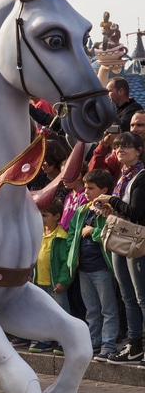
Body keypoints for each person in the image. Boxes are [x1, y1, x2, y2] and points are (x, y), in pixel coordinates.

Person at [93, 131, 145, 365]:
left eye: (126, 146)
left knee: (142, 297)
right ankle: (134, 346)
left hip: (138, 243)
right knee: (128, 297)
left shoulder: (141, 177)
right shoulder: (122, 177)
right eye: (117, 147)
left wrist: (110, 200)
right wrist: (107, 208)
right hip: (121, 241)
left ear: (139, 150)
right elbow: (123, 210)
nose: (120, 150)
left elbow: (136, 213)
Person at [65, 169, 120, 361]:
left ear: (104, 189)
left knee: (108, 309)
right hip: (84, 269)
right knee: (91, 309)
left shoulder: (109, 210)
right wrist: (72, 256)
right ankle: (93, 342)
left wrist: (93, 231)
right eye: (86, 187)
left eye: (91, 188)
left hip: (102, 269)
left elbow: (113, 235)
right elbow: (72, 234)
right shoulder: (82, 210)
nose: (86, 192)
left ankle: (108, 345)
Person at [28, 199, 72, 354]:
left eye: (44, 215)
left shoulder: (61, 236)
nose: (41, 219)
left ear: (57, 216)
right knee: (42, 312)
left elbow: (66, 262)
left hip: (55, 284)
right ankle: (43, 340)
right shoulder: (38, 233)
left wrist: (62, 281)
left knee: (60, 313)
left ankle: (64, 341)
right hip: (39, 282)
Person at [89, 110, 145, 178]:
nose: (134, 129)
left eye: (139, 125)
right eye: (132, 125)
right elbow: (95, 177)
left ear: (139, 151)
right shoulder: (121, 152)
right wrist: (103, 147)